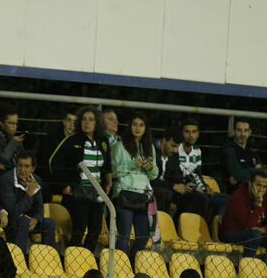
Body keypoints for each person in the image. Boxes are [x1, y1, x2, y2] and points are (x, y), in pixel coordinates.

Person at [54, 107, 112, 251]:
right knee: (79, 229)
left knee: (95, 230)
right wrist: (64, 184)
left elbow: (107, 166)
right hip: (79, 192)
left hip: (97, 192)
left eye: (91, 119)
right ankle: (72, 257)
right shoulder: (72, 140)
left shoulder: (103, 141)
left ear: (97, 123)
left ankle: (88, 257)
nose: (87, 122)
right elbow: (55, 162)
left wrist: (108, 183)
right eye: (84, 119)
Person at [110, 111, 158, 261]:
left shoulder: (150, 147)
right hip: (125, 194)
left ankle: (131, 263)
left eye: (141, 125)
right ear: (129, 126)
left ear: (146, 128)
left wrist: (151, 168)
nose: (138, 128)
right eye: (135, 124)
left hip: (143, 196)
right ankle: (120, 266)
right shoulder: (119, 146)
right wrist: (132, 164)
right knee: (123, 236)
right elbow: (114, 172)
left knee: (143, 237)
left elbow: (154, 175)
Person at [0, 150, 54, 254]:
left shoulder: (36, 179)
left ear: (33, 168)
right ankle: (20, 258)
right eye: (20, 165)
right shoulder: (6, 180)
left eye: (27, 166)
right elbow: (13, 211)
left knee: (49, 223)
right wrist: (28, 194)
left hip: (29, 220)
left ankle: (47, 257)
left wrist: (36, 219)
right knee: (24, 221)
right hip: (10, 219)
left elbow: (39, 207)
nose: (22, 170)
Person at [37, 106, 77, 200]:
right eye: (69, 120)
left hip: (71, 183)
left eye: (75, 122)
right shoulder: (51, 138)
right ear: (64, 122)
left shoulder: (80, 140)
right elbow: (45, 162)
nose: (72, 125)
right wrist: (62, 185)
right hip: (51, 181)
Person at [150, 127, 188, 215]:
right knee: (166, 194)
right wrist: (172, 186)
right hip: (153, 187)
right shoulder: (151, 150)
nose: (175, 150)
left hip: (168, 189)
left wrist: (185, 185)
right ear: (163, 141)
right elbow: (150, 179)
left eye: (177, 147)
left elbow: (177, 176)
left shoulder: (174, 155)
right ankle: (161, 222)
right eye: (173, 146)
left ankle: (179, 222)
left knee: (196, 197)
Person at [0, 103, 25, 172]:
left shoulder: (16, 140)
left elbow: (22, 161)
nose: (14, 127)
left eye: (16, 123)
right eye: (11, 123)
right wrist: (13, 143)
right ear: (1, 123)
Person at [220, 118, 260, 190]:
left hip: (254, 190)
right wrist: (255, 170)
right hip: (235, 191)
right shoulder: (228, 150)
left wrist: (243, 173)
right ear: (233, 131)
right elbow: (238, 174)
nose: (242, 134)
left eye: (246, 130)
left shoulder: (251, 151)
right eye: (239, 130)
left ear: (250, 132)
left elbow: (263, 171)